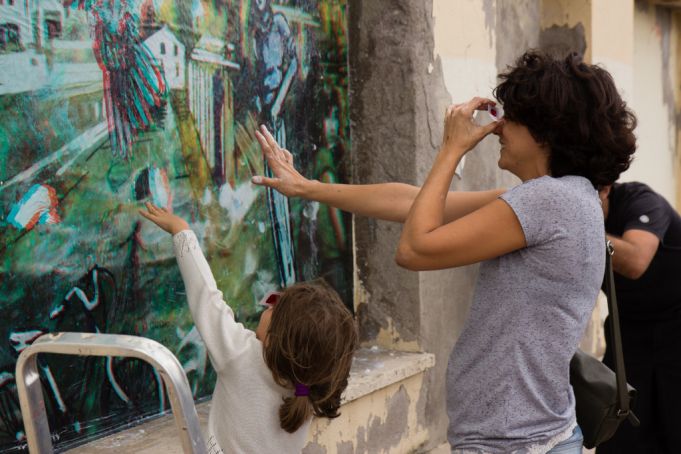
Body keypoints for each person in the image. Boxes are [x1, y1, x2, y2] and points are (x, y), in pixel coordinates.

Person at [252, 50, 637, 453]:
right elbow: (412, 203)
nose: (499, 128)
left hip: (512, 444)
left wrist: (451, 150)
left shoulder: (548, 202)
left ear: (545, 131)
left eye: (513, 117)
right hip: (527, 439)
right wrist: (306, 187)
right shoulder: (568, 199)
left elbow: (415, 248)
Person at [139, 202, 358, 454]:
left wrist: (181, 231)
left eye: (274, 305)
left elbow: (206, 298)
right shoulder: (308, 386)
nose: (267, 304)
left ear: (277, 338)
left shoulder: (241, 356)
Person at [596, 182, 681, 454]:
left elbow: (635, 260)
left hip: (676, 326)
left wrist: (574, 227)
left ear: (605, 188)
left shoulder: (641, 200)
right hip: (629, 332)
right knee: (620, 436)